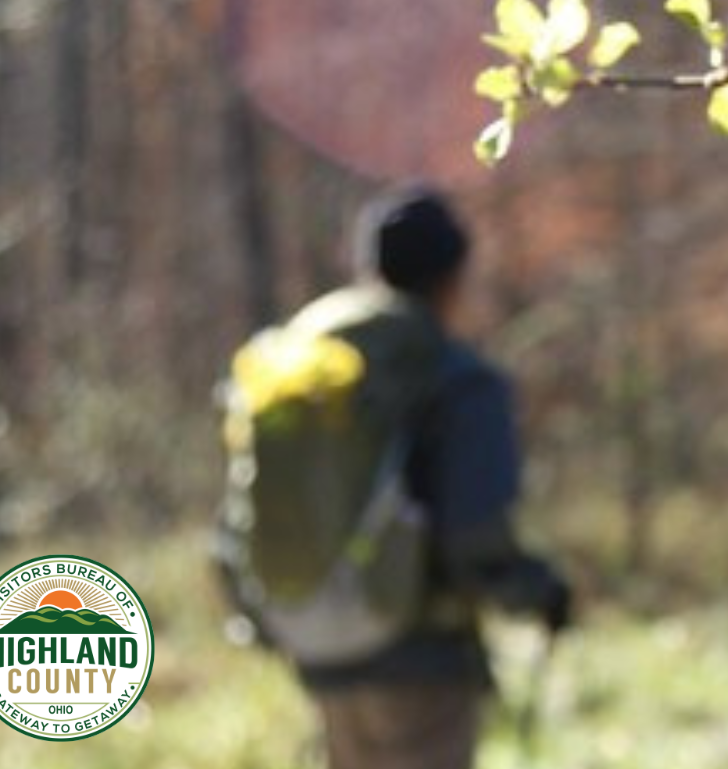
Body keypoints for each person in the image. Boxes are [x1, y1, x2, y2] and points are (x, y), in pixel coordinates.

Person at [221, 186, 572, 769]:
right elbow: (473, 534)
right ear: (453, 277)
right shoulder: (454, 377)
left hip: (318, 649)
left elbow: (240, 514)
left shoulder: (310, 362)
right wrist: (539, 593)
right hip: (421, 656)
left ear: (369, 267)